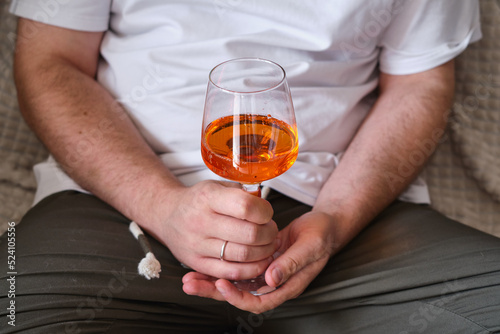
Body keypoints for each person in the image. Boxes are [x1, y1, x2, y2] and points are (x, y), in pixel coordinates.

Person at [1, 0, 499, 333]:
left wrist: (334, 224)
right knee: (13, 308)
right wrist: (160, 205)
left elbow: (419, 84)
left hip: (345, 210)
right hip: (116, 200)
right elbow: (50, 61)